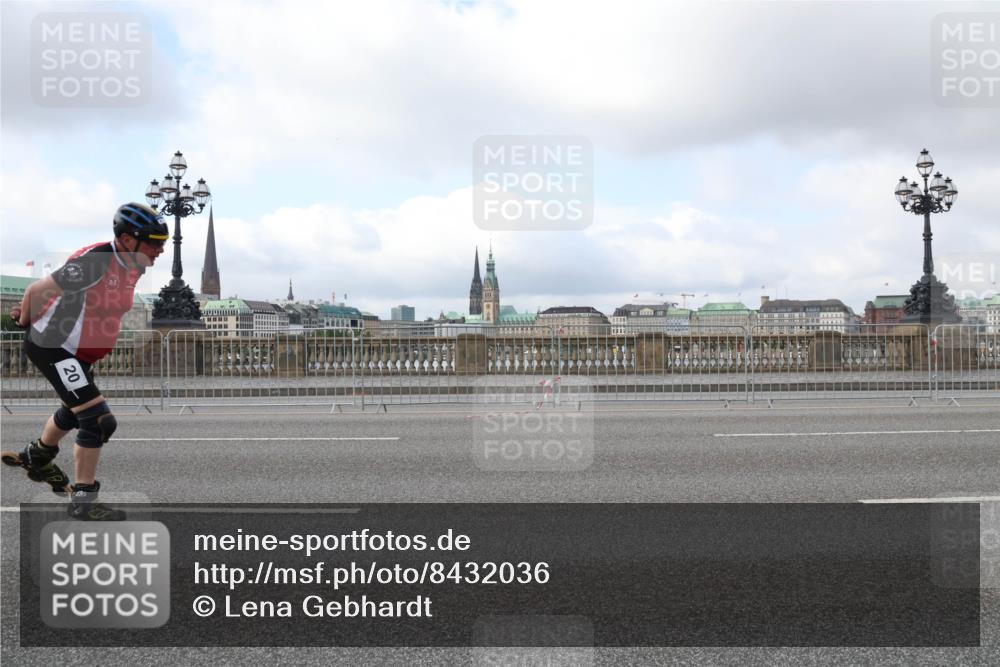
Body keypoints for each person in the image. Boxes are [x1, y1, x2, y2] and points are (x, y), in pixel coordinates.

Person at [3, 203, 167, 521]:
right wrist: (24, 319)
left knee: (73, 410)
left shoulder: (134, 264)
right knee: (98, 420)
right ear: (126, 238)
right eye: (153, 241)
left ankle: (37, 455)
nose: (159, 249)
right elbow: (38, 289)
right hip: (54, 347)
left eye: (163, 242)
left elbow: (76, 299)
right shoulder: (97, 262)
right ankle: (83, 501)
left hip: (78, 353)